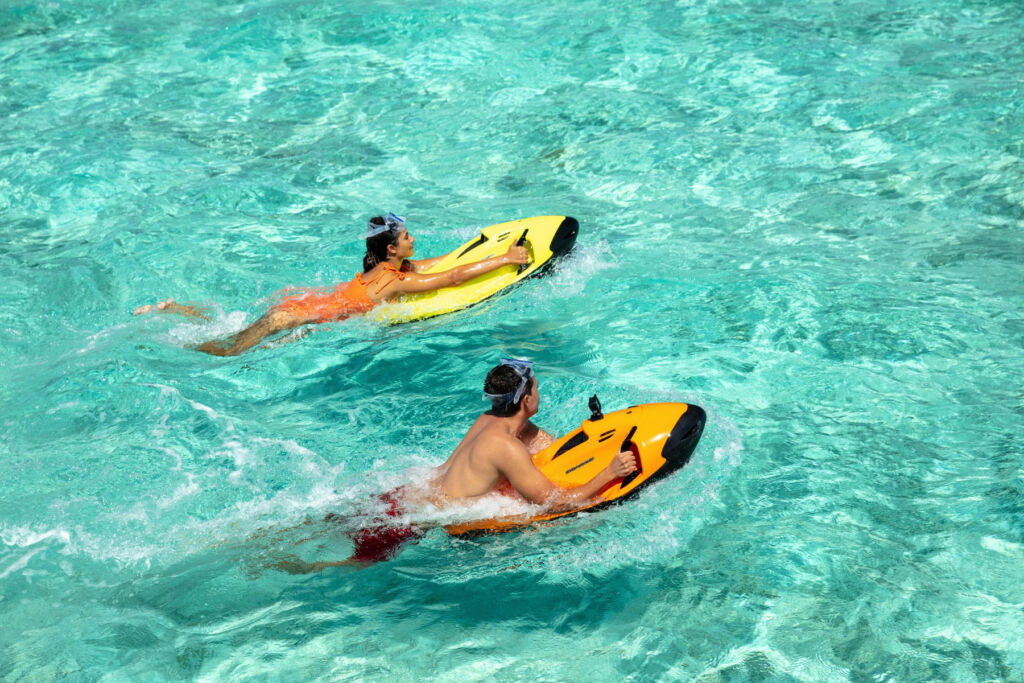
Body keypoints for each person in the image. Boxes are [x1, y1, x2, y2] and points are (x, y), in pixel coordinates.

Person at [276, 358, 636, 571]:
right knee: (349, 566)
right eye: (537, 390)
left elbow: (544, 443)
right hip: (410, 523)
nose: (540, 394)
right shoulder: (506, 447)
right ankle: (301, 569)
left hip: (403, 495)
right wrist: (609, 473)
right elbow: (552, 502)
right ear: (526, 400)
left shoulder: (490, 419)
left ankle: (269, 538)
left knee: (323, 523)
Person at [134, 213, 529, 355]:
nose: (412, 240)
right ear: (392, 249)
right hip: (290, 317)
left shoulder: (391, 267)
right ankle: (175, 343)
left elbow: (446, 262)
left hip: (302, 305)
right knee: (229, 348)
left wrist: (487, 250)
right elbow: (453, 277)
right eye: (406, 237)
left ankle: (175, 310)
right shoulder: (392, 282)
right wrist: (507, 261)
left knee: (231, 326)